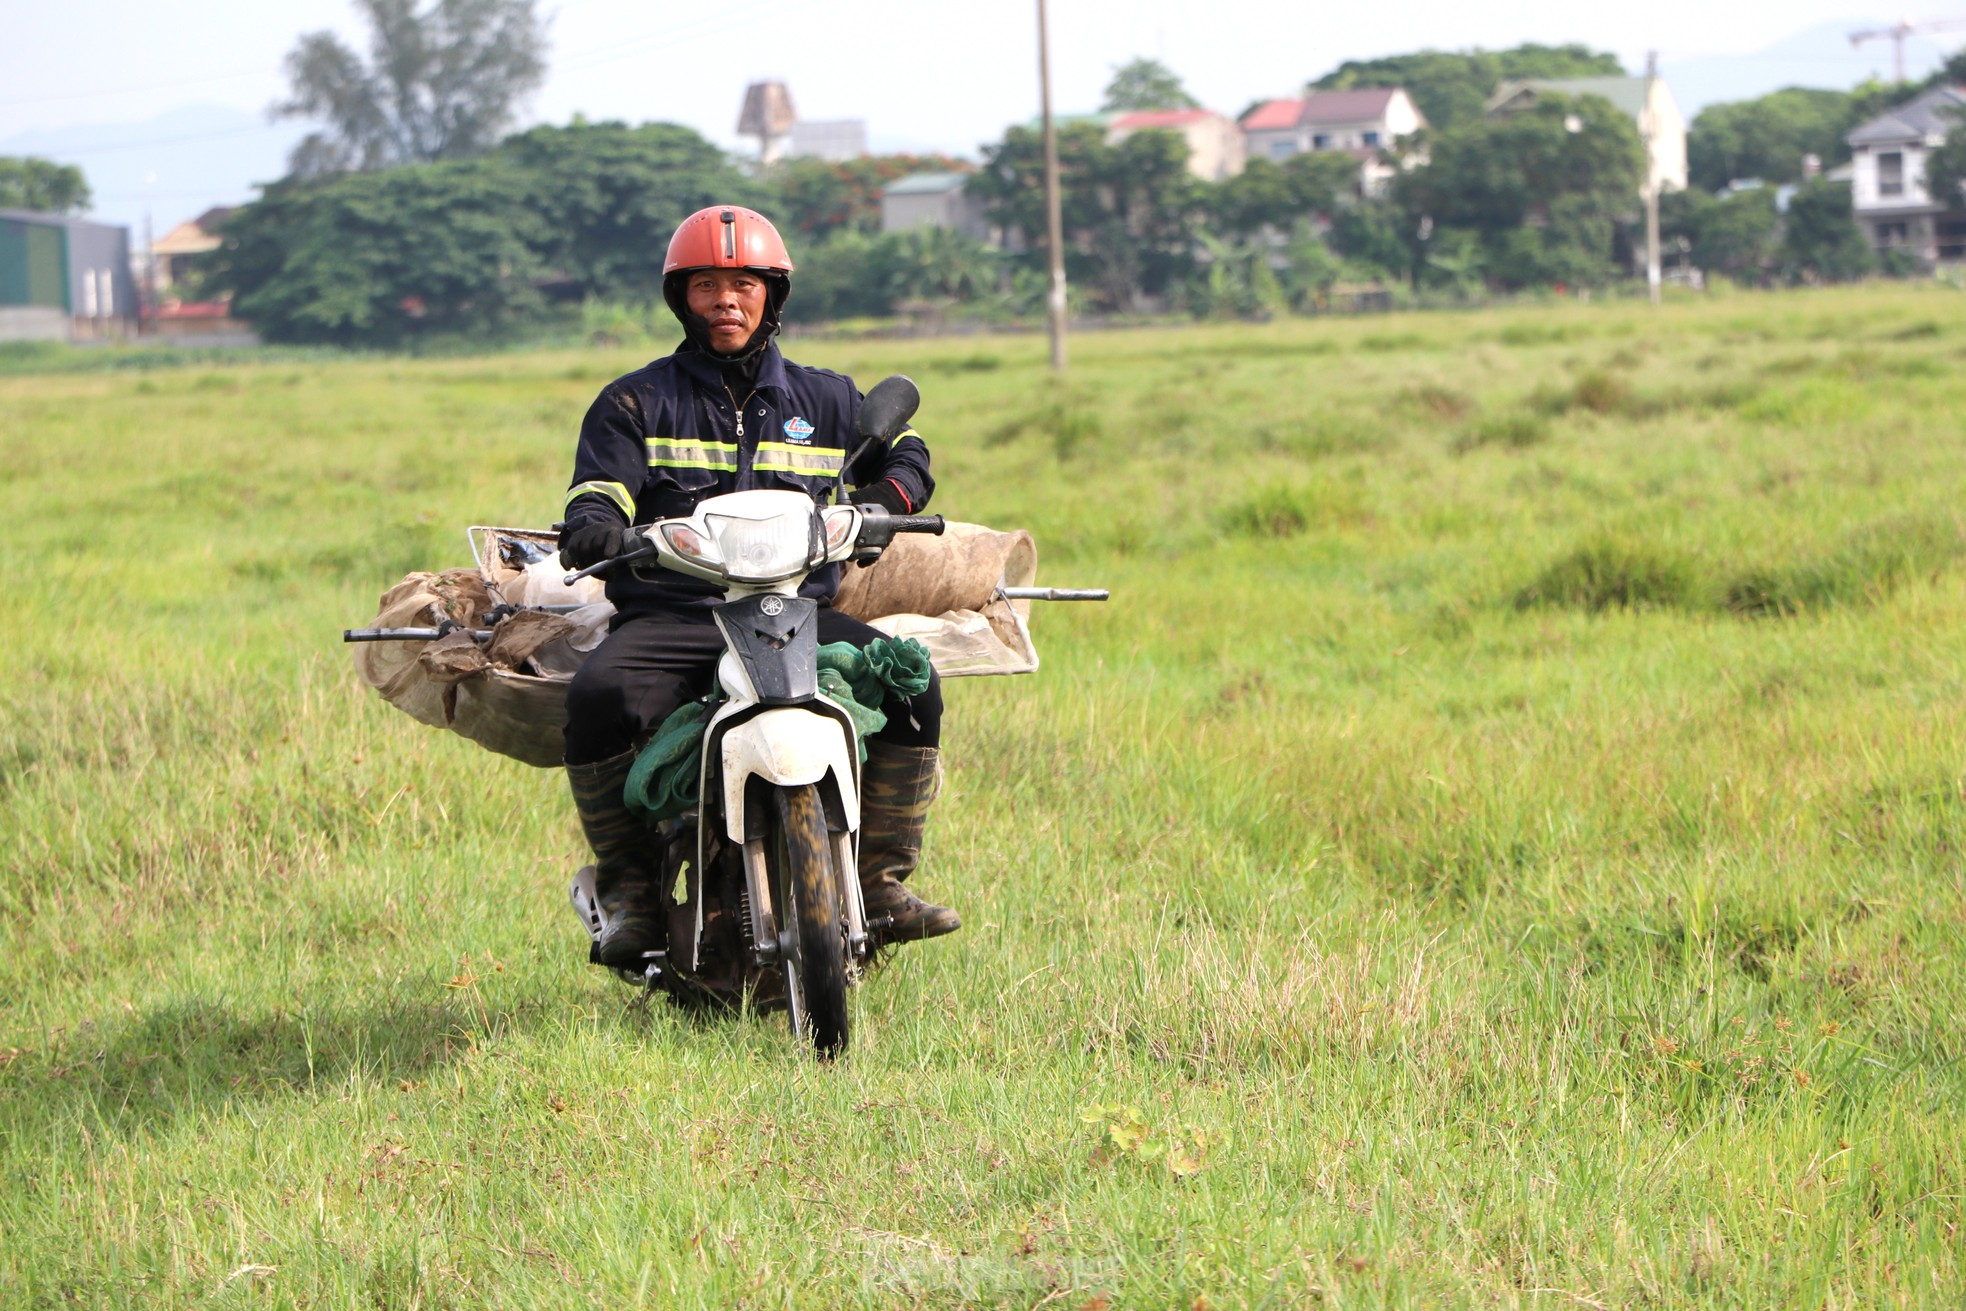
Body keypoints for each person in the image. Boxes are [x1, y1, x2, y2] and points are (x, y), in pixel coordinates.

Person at [557, 204, 960, 971]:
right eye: (706, 285)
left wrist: (884, 507)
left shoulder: (829, 399)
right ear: (682, 298)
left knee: (915, 685)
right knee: (595, 699)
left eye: (743, 283)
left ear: (772, 294)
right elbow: (598, 490)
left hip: (796, 611)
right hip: (678, 613)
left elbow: (908, 458)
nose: (726, 301)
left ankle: (879, 882)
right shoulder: (635, 401)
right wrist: (595, 526)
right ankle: (631, 891)